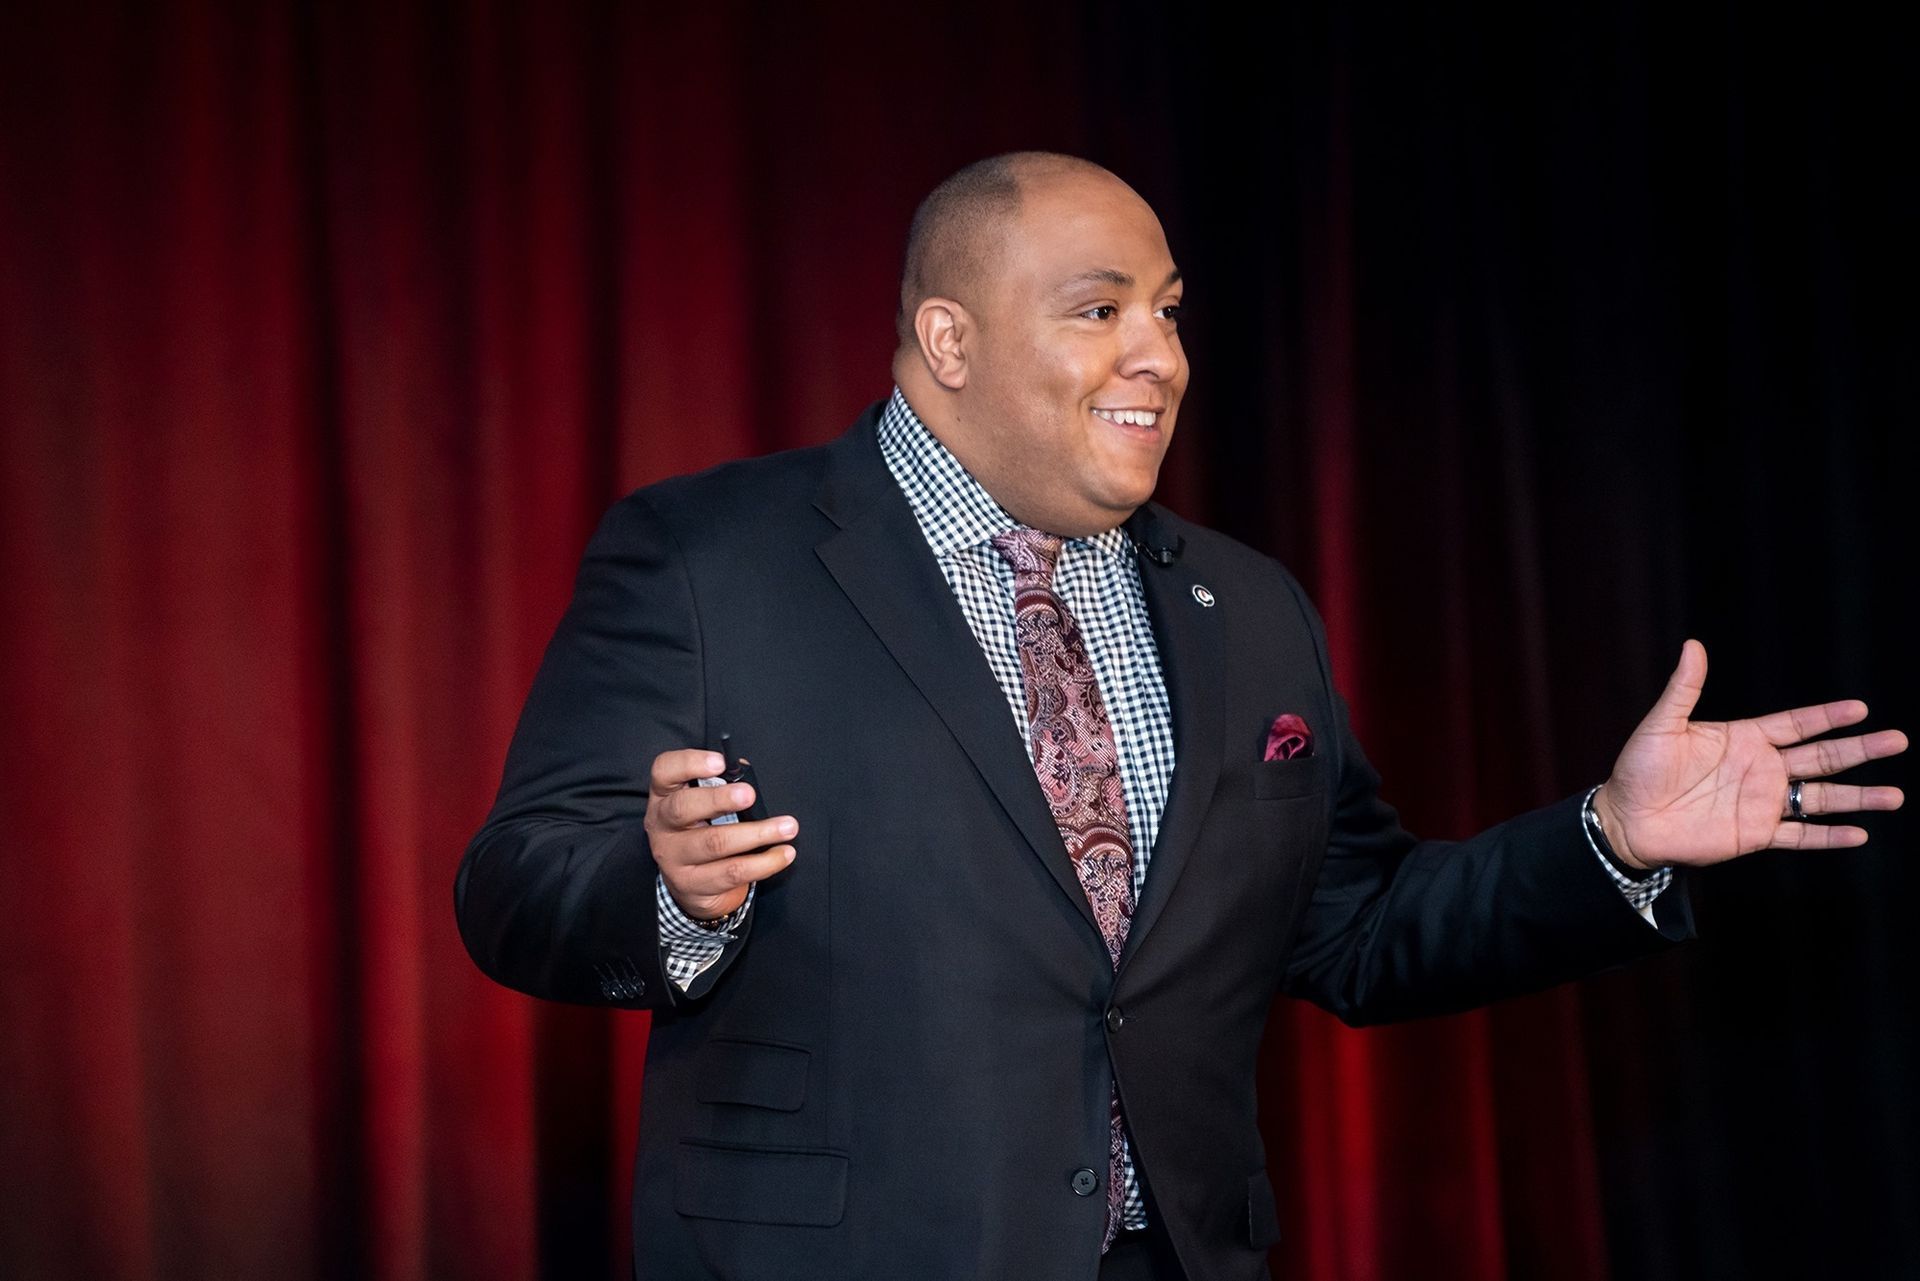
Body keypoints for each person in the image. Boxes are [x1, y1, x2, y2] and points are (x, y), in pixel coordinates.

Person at [453, 152, 1906, 1281]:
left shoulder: (1247, 604)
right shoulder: (712, 558)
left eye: (1167, 310)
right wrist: (670, 892)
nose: (1161, 353)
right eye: (1100, 310)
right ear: (947, 340)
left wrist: (1609, 839)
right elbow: (516, 883)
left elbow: (1359, 924)